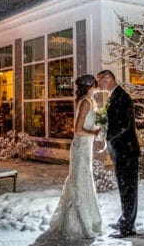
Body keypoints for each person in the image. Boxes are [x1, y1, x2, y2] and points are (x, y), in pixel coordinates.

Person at [49, 75, 102, 239]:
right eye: (95, 83)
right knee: (79, 183)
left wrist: (99, 129)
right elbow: (78, 129)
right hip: (80, 147)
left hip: (86, 148)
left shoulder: (89, 101)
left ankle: (87, 218)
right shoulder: (85, 103)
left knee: (84, 181)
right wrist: (94, 132)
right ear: (90, 86)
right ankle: (78, 223)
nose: (98, 85)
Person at [96, 69, 140, 239]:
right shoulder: (115, 96)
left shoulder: (121, 97)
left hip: (126, 151)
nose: (98, 84)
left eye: (100, 80)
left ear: (108, 78)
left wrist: (105, 134)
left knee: (128, 188)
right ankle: (125, 218)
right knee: (124, 187)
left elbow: (123, 125)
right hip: (121, 150)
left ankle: (128, 226)